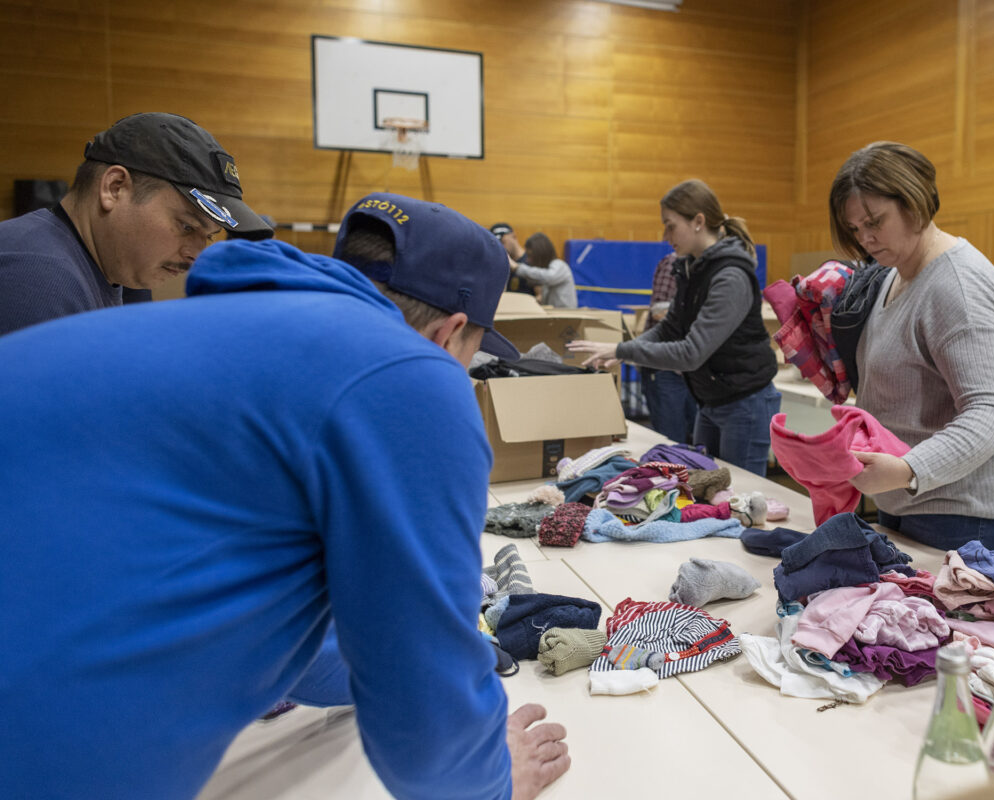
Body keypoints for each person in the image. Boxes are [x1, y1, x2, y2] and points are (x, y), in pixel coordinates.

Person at [0, 193, 569, 800]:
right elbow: (422, 703)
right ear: (450, 334)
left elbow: (291, 627)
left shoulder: (227, 329)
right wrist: (491, 780)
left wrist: (374, 657)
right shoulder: (406, 373)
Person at [828, 141, 994, 550]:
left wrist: (908, 468)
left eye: (875, 221)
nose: (866, 238)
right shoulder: (896, 271)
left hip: (963, 506)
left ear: (914, 204)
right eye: (855, 229)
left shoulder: (956, 289)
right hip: (914, 491)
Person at [567, 179, 780, 475]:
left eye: (670, 226)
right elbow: (669, 328)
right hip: (712, 399)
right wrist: (625, 350)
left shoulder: (730, 276)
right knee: (705, 487)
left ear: (698, 221)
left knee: (740, 494)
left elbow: (691, 353)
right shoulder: (693, 268)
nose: (666, 236)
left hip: (745, 404)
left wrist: (624, 350)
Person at [0, 112, 271, 336]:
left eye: (209, 236)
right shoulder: (38, 280)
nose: (196, 256)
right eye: (187, 226)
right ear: (115, 188)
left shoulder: (118, 275)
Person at [639, 250, 698, 442]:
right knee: (671, 439)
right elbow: (658, 311)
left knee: (696, 438)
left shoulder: (707, 265)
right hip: (665, 367)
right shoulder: (673, 262)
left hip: (691, 367)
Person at [514, 232, 578, 308]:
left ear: (540, 254)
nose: (528, 260)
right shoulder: (546, 270)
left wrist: (517, 267)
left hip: (566, 314)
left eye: (530, 255)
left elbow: (548, 277)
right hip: (554, 313)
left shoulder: (560, 265)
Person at [490, 221, 538, 297]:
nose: (500, 246)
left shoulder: (531, 260)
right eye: (497, 244)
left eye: (502, 242)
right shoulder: (499, 263)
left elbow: (540, 295)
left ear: (513, 236)